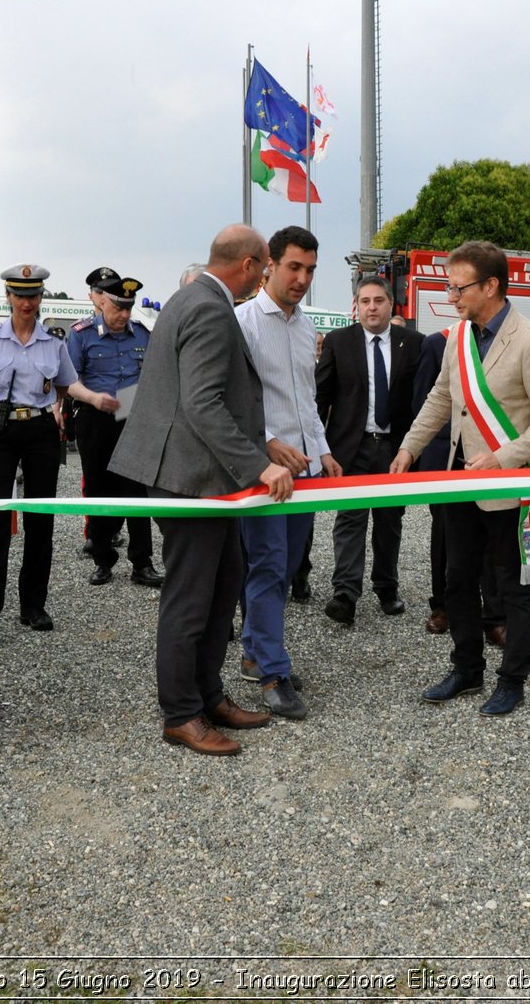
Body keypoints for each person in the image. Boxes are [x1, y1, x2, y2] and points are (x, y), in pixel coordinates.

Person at [109, 224, 289, 756]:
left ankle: (209, 695)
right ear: (252, 265)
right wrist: (259, 466)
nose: (268, 275)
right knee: (191, 597)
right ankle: (181, 713)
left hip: (197, 477)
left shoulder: (192, 297)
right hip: (188, 480)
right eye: (269, 266)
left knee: (224, 582)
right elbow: (203, 404)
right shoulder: (210, 307)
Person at [392, 241, 530, 717]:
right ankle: (467, 668)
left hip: (507, 487)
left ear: (491, 286)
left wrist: (502, 457)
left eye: (458, 286)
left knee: (513, 586)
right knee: (457, 581)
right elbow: (440, 399)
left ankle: (513, 679)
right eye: (449, 286)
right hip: (460, 483)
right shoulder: (458, 339)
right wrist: (409, 447)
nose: (451, 295)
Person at [232, 226, 341, 721]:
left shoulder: (304, 328)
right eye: (294, 267)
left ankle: (255, 653)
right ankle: (273, 673)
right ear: (268, 264)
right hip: (264, 472)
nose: (302, 278)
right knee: (270, 566)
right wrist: (264, 447)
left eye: (311, 270)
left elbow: (306, 400)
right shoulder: (243, 323)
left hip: (305, 469)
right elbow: (230, 404)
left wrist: (322, 451)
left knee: (288, 562)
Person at [0, 264, 77, 638]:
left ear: (41, 297)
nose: (26, 302)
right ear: (9, 298)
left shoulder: (55, 343)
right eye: (19, 295)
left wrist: (43, 407)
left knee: (39, 519)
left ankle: (33, 605)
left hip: (41, 430)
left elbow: (63, 385)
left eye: (33, 295)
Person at [316, 276, 421, 624]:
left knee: (390, 522)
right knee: (350, 520)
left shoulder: (414, 344)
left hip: (395, 449)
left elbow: (424, 401)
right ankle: (345, 594)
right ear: (356, 306)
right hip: (352, 448)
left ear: (391, 304)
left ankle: (387, 588)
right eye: (365, 301)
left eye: (378, 300)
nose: (372, 307)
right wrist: (319, 448)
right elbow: (322, 398)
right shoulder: (338, 342)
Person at [413, 324, 509, 647]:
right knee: (445, 539)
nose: (456, 298)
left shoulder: (508, 339)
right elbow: (427, 401)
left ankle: (493, 615)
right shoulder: (439, 342)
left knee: (491, 541)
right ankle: (442, 607)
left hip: (491, 457)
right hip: (447, 457)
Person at [66, 267, 162, 589]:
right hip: (95, 418)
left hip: (132, 418)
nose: (123, 314)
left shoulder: (142, 334)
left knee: (136, 490)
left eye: (128, 308)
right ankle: (102, 558)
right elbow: (68, 381)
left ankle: (142, 562)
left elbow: (152, 378)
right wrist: (94, 398)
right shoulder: (81, 335)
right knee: (98, 487)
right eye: (118, 307)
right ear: (101, 303)